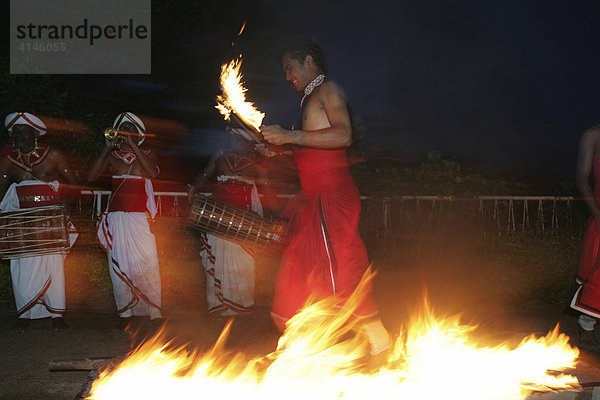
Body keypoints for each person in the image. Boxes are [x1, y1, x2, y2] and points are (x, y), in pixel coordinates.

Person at [260, 41, 391, 356]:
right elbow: (312, 156)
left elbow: (343, 135)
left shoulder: (328, 90)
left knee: (341, 268)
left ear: (308, 62)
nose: (287, 77)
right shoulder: (309, 102)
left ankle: (380, 343)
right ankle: (295, 345)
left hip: (332, 197)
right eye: (284, 72)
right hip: (312, 200)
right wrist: (279, 150)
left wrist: (289, 136)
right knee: (296, 268)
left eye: (290, 68)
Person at [0, 112, 77, 332]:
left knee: (54, 265)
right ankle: (24, 315)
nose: (20, 136)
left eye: (25, 132)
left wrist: (66, 208)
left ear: (36, 134)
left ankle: (57, 315)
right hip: (22, 222)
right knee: (22, 266)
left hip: (50, 220)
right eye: (16, 132)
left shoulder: (53, 155)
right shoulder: (7, 161)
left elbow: (73, 183)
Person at [88, 112, 162, 328]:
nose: (124, 132)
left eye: (129, 129)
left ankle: (153, 309)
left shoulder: (148, 153)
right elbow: (91, 177)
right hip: (117, 218)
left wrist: (134, 147)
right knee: (118, 265)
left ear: (137, 133)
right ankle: (125, 312)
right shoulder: (112, 156)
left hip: (139, 219)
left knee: (148, 262)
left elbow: (153, 174)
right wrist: (107, 149)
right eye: (122, 128)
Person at [189, 131, 269, 316]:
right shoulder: (220, 155)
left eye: (239, 138)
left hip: (244, 219)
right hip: (218, 216)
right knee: (217, 256)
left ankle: (241, 305)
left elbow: (265, 183)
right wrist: (193, 186)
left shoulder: (257, 160)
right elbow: (204, 175)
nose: (235, 141)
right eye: (233, 137)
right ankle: (219, 306)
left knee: (245, 261)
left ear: (248, 141)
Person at [571, 124, 600, 350]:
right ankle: (587, 324)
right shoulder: (593, 134)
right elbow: (582, 179)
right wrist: (598, 215)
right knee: (596, 271)